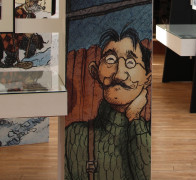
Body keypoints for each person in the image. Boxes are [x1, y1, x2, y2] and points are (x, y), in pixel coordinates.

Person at [65, 27, 152, 180]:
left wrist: (134, 118)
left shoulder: (150, 132)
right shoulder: (73, 135)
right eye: (110, 60)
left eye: (131, 62)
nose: (118, 74)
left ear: (147, 79)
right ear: (95, 72)